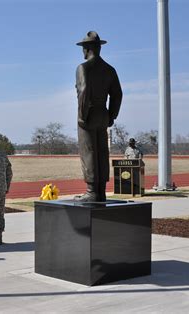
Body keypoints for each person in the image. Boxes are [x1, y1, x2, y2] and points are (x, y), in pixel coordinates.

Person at [75, 31, 122, 202]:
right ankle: (101, 190)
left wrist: (82, 115)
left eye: (83, 48)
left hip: (88, 114)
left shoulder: (83, 68)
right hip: (103, 114)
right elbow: (117, 94)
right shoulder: (110, 70)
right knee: (102, 152)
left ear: (87, 49)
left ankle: (92, 191)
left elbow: (84, 91)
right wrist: (111, 115)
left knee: (88, 151)